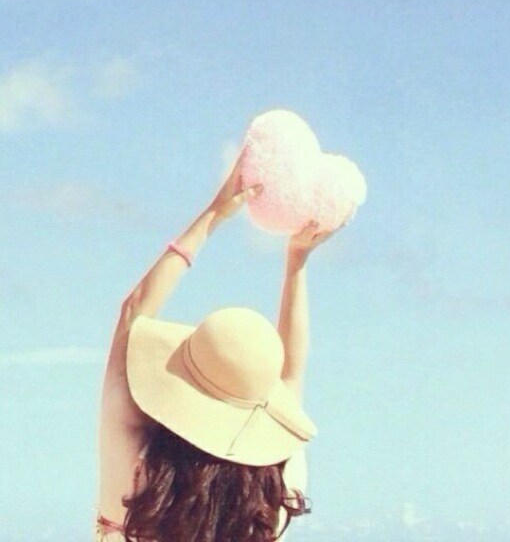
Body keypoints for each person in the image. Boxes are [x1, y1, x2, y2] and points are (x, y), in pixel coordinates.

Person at [95, 153, 344, 541]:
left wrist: (214, 214)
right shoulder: (273, 499)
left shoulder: (137, 482)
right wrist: (297, 260)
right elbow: (292, 375)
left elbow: (133, 315)